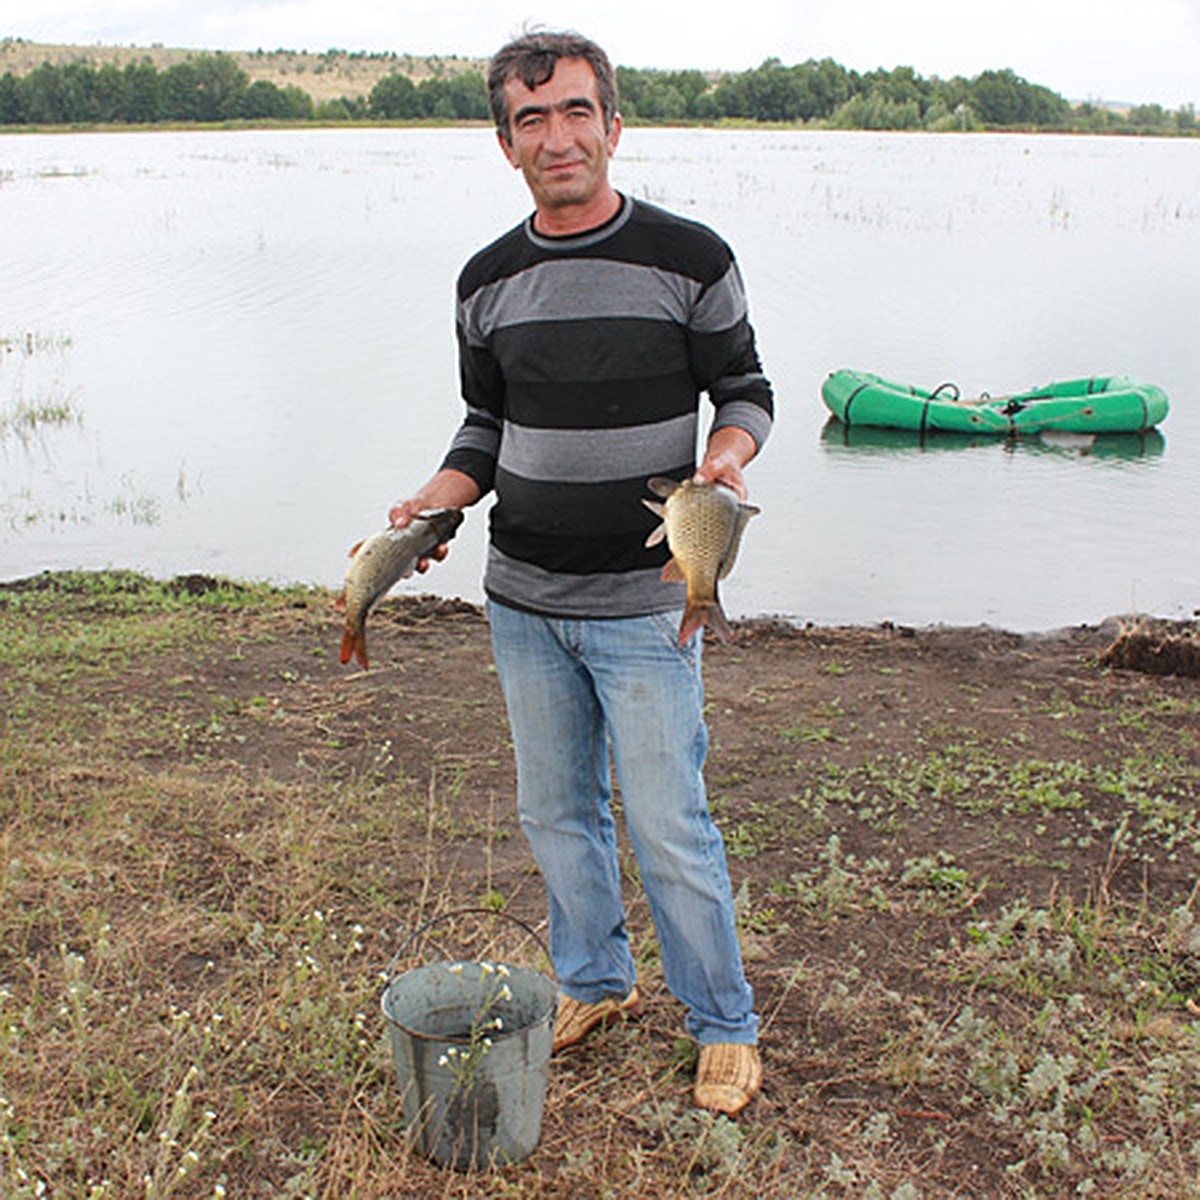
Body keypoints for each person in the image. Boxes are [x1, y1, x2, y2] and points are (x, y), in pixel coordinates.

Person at [388, 29, 773, 1116]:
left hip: (649, 605)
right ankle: (596, 983)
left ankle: (724, 1023)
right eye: (530, 118)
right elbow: (483, 428)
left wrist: (726, 458)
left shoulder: (691, 257)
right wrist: (437, 500)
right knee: (557, 814)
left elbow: (746, 390)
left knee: (667, 822)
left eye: (573, 112)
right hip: (522, 601)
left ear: (612, 124)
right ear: (504, 142)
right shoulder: (486, 280)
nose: (555, 137)